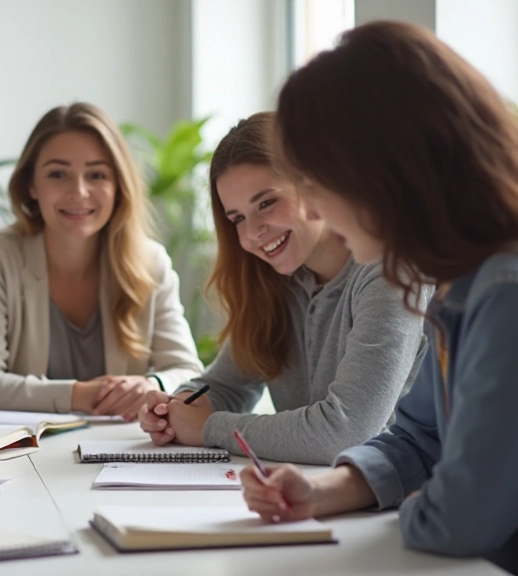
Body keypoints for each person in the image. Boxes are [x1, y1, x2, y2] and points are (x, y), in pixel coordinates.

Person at [239, 22, 518, 576]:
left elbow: (458, 521)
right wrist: (324, 491)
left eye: (314, 183)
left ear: (382, 173)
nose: (313, 209)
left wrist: (420, 507)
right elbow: (417, 436)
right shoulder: (464, 281)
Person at [137, 112, 431, 465]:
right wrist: (175, 407)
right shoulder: (275, 279)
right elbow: (227, 385)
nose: (252, 233)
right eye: (237, 219)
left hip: (393, 504)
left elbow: (347, 433)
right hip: (308, 494)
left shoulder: (389, 269)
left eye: (266, 203)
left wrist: (210, 428)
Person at [0, 103, 203, 419]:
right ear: (31, 185)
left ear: (118, 187)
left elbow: (190, 374)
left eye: (97, 174)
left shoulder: (151, 263)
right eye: (58, 174)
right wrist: (79, 395)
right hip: (22, 457)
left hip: (123, 455)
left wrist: (150, 383)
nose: (79, 192)